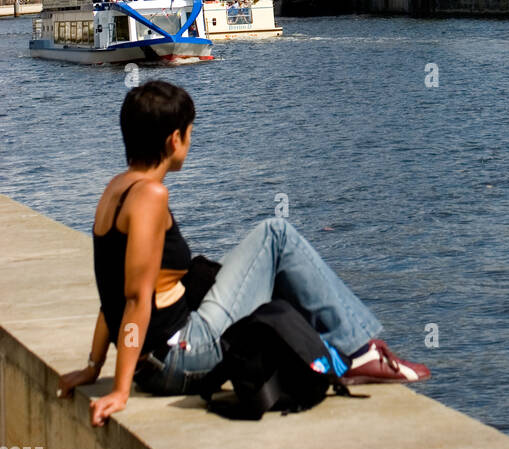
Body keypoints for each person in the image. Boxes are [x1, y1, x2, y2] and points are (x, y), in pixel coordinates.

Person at [57, 81, 430, 428]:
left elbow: (111, 290)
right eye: (190, 132)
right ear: (174, 140)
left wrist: (94, 366)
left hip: (153, 361)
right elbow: (135, 297)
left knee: (237, 260)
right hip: (179, 357)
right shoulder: (150, 197)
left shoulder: (115, 191)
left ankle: (338, 348)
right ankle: (359, 351)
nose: (191, 140)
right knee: (276, 233)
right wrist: (121, 391)